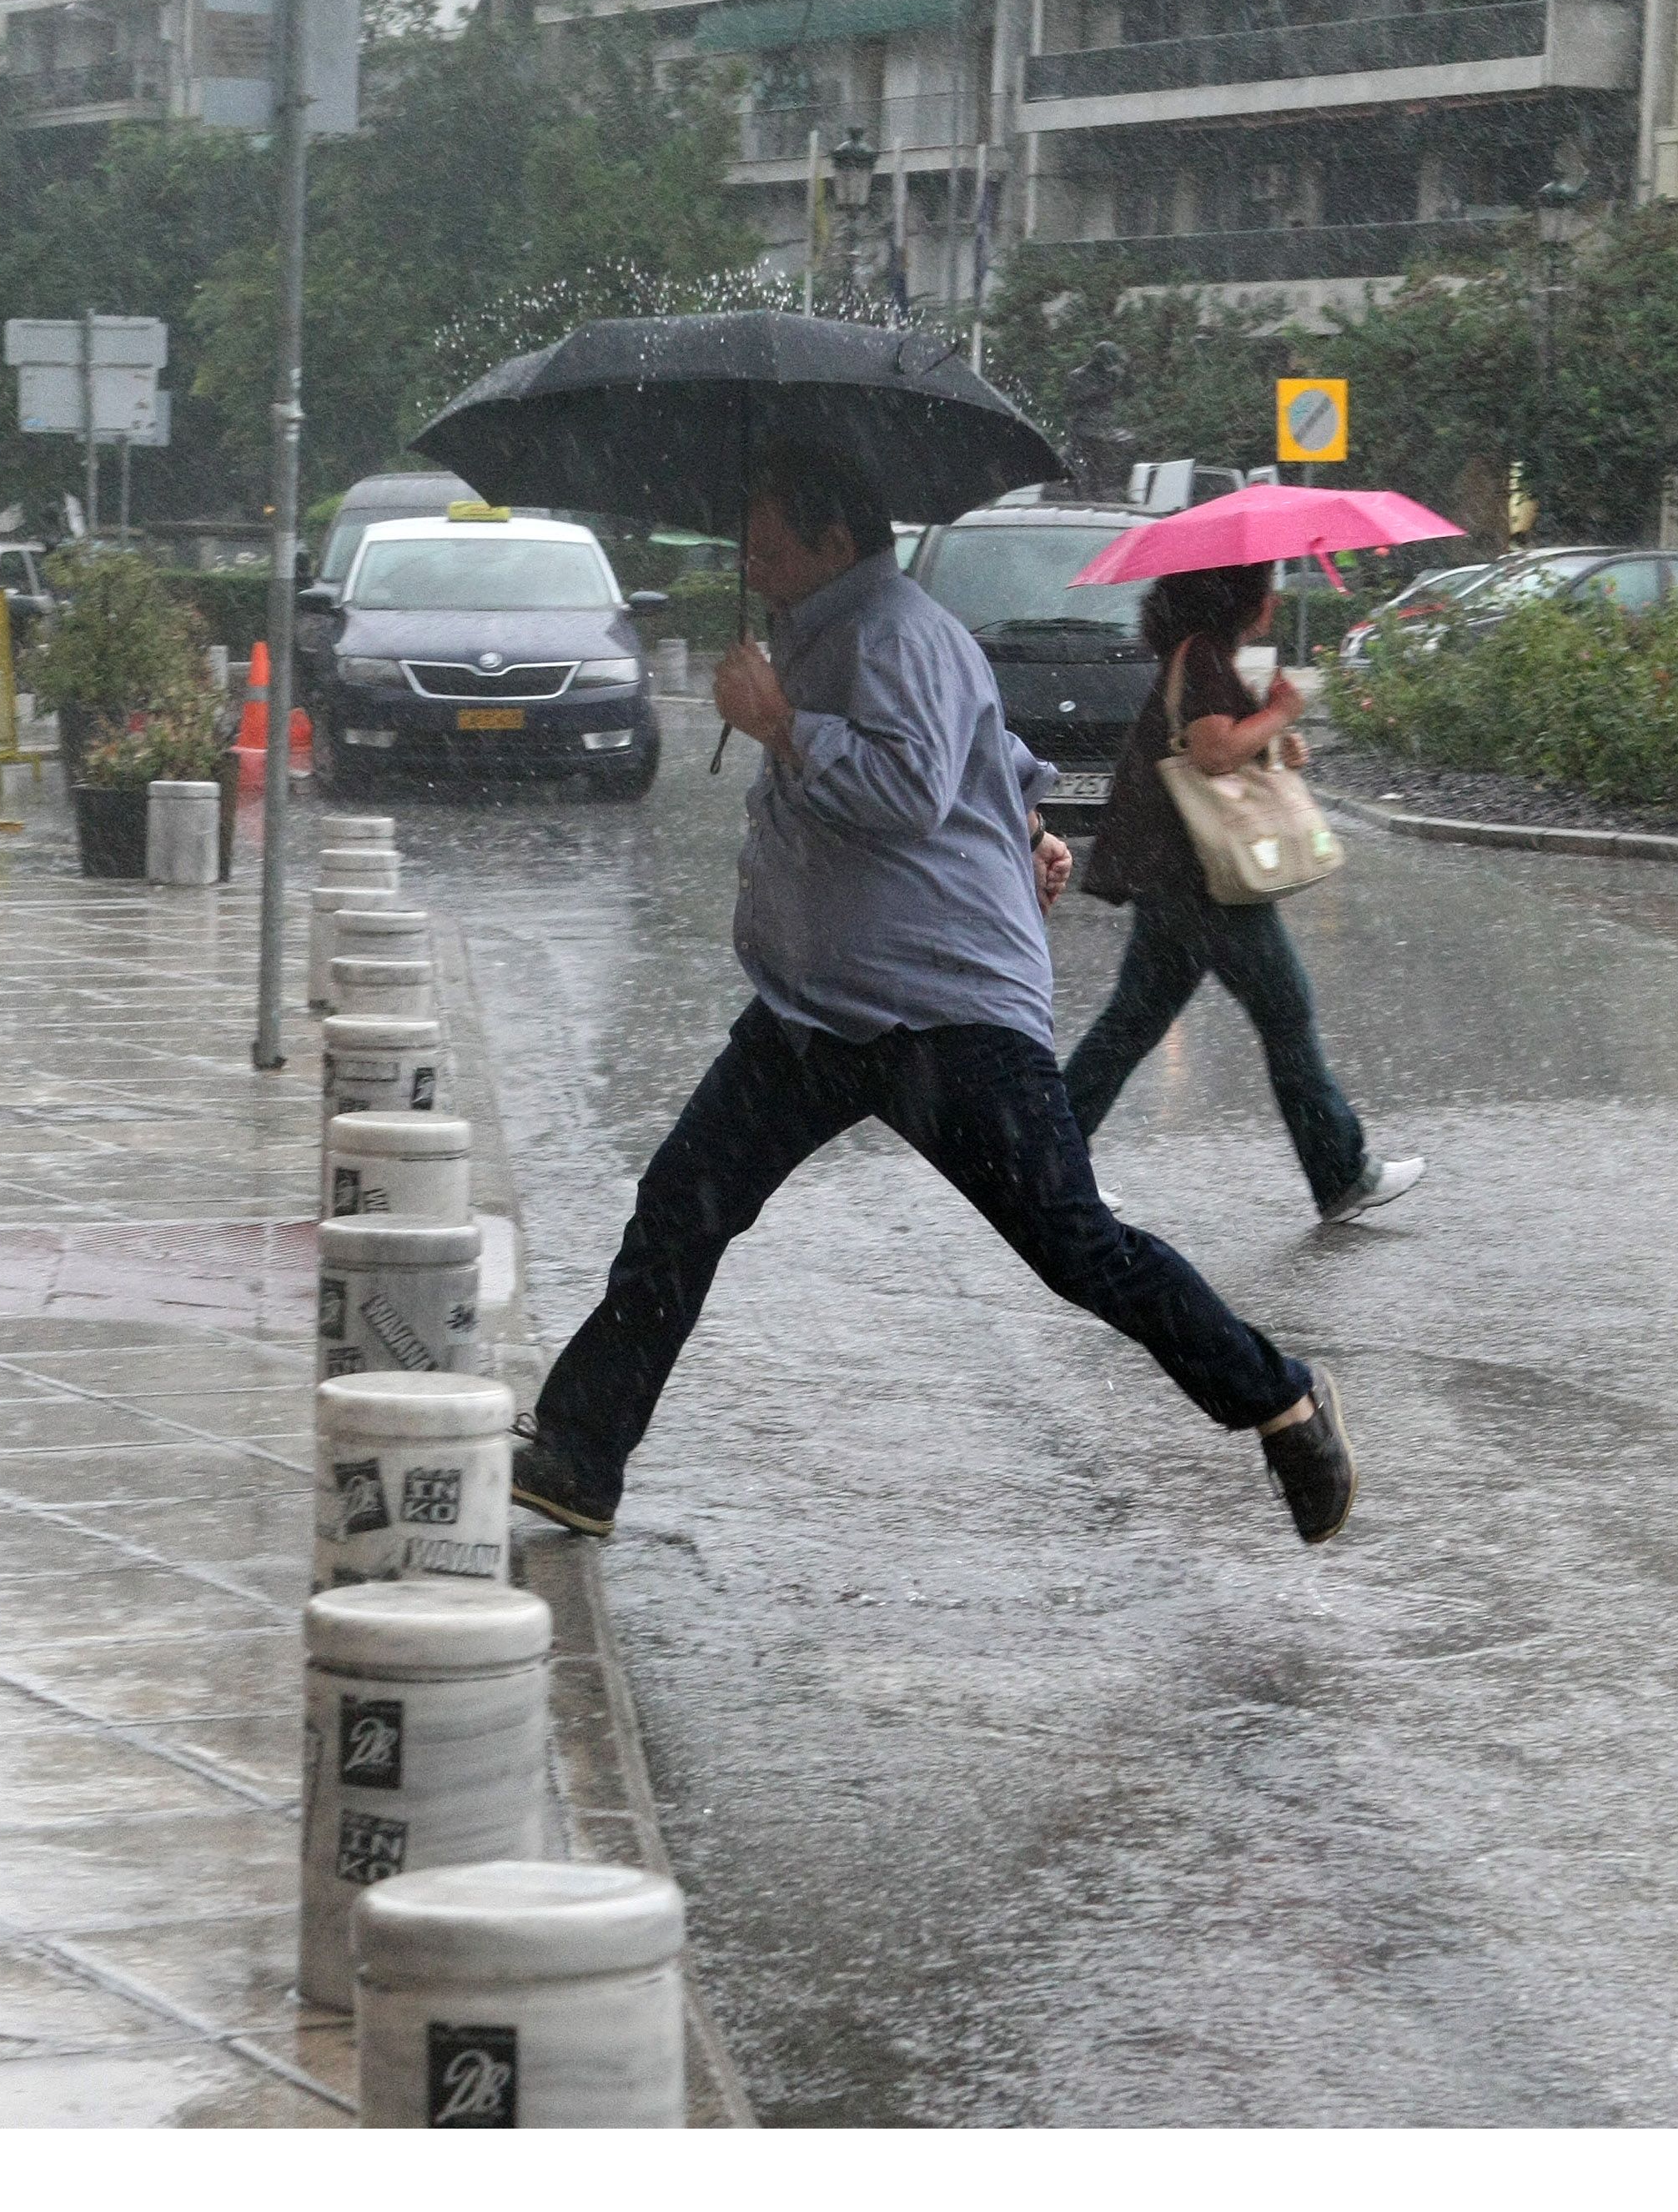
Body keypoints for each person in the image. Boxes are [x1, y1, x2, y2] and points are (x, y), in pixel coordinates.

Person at [509, 447, 1359, 1547]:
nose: (751, 552)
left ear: (832, 541)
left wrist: (780, 726)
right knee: (683, 1206)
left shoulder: (895, 631)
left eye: (769, 533)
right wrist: (1036, 827)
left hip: (946, 1015)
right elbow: (987, 756)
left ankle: (1282, 1399)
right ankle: (581, 1454)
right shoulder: (826, 629)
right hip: (816, 1011)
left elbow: (909, 789)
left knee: (1077, 1247)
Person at [1063, 560, 1424, 1224]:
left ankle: (1047, 1163)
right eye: (1267, 587)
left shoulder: (1199, 656)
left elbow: (1223, 746)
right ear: (1240, 598)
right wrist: (1282, 712)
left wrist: (1274, 738)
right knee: (1285, 1009)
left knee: (1133, 1020)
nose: (1276, 600)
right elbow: (1212, 752)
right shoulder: (1200, 657)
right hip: (1203, 880)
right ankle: (1341, 1173)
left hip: (1174, 875)